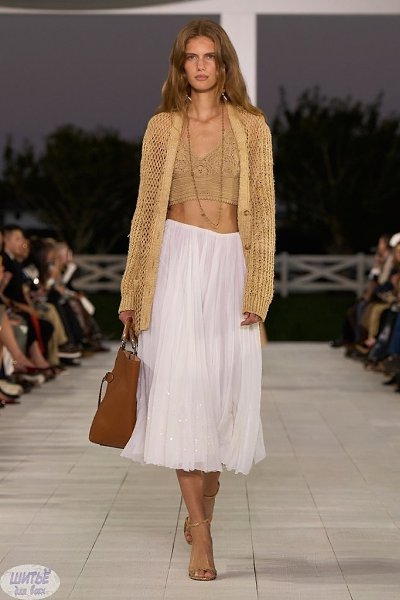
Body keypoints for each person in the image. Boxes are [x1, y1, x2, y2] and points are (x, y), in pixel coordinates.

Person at [118, 19, 275, 581]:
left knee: (220, 397)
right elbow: (145, 213)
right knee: (182, 391)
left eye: (210, 56)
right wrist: (132, 290)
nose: (201, 65)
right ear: (180, 66)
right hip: (175, 264)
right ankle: (201, 531)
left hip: (230, 263)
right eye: (192, 56)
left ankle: (205, 501)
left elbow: (264, 211)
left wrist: (259, 286)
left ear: (224, 63)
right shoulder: (162, 127)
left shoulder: (252, 127)